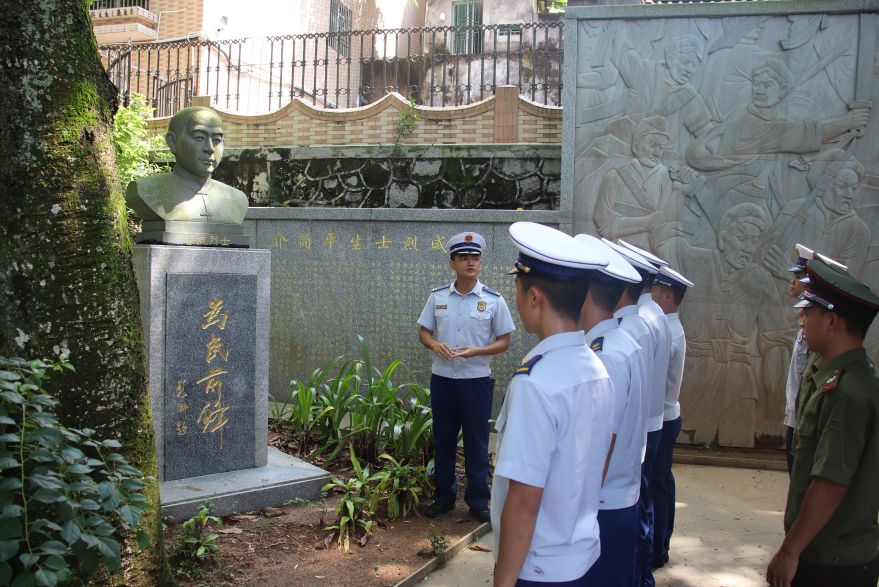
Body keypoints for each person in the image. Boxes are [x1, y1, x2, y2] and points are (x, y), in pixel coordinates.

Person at [491, 222, 613, 586]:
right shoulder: (596, 367)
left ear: (535, 297)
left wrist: (503, 581)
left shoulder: (536, 383)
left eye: (517, 287)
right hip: (582, 555)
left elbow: (524, 499)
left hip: (539, 569)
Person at [766, 257, 879, 587]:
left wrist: (789, 551)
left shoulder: (847, 392)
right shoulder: (839, 375)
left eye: (808, 312)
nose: (801, 318)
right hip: (828, 551)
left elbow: (830, 485)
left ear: (831, 321)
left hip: (832, 561)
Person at [417, 231, 515, 522]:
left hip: (476, 381)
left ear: (480, 264)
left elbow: (504, 340)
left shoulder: (493, 300)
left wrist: (477, 351)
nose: (470, 263)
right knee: (444, 440)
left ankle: (478, 502)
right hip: (443, 380)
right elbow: (424, 332)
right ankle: (444, 498)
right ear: (452, 264)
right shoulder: (438, 297)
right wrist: (435, 345)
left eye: (474, 258)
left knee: (476, 442)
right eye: (463, 258)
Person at [575, 234, 645, 587]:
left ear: (586, 291)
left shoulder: (606, 355)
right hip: (616, 498)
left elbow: (605, 441)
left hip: (604, 504)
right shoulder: (619, 342)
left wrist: (579, 514)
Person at [600, 238, 657, 585]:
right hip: (623, 485)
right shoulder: (629, 335)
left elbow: (603, 441)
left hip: (607, 496)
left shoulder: (612, 348)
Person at [618, 239, 671, 587]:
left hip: (640, 425)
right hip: (650, 420)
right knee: (646, 497)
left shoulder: (637, 323)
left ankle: (641, 574)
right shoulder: (656, 316)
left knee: (640, 503)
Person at [126, 107, 249, 229]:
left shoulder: (237, 200)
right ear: (172, 142)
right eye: (199, 137)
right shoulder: (147, 190)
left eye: (217, 139)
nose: (210, 148)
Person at [649, 264, 694, 570]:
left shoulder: (667, 332)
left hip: (662, 418)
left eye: (654, 290)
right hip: (668, 413)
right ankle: (660, 543)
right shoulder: (668, 327)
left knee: (657, 483)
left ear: (666, 296)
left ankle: (658, 546)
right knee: (662, 480)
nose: (649, 295)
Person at [783, 243, 814, 474]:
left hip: (803, 417)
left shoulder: (814, 322)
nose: (793, 281)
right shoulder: (805, 317)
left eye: (800, 276)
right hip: (795, 414)